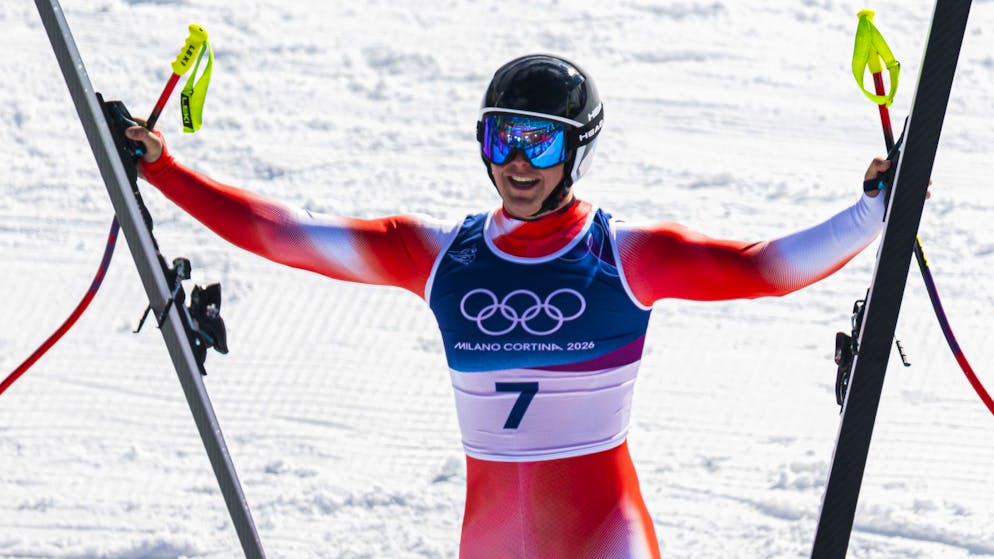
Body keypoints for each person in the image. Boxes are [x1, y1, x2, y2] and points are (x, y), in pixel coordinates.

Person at [127, 54, 892, 558]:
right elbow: (280, 233)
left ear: (576, 153)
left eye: (540, 143)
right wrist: (164, 171)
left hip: (604, 537)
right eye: (501, 140)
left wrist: (870, 215)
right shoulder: (435, 257)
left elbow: (763, 268)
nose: (518, 163)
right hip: (490, 539)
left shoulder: (625, 258)